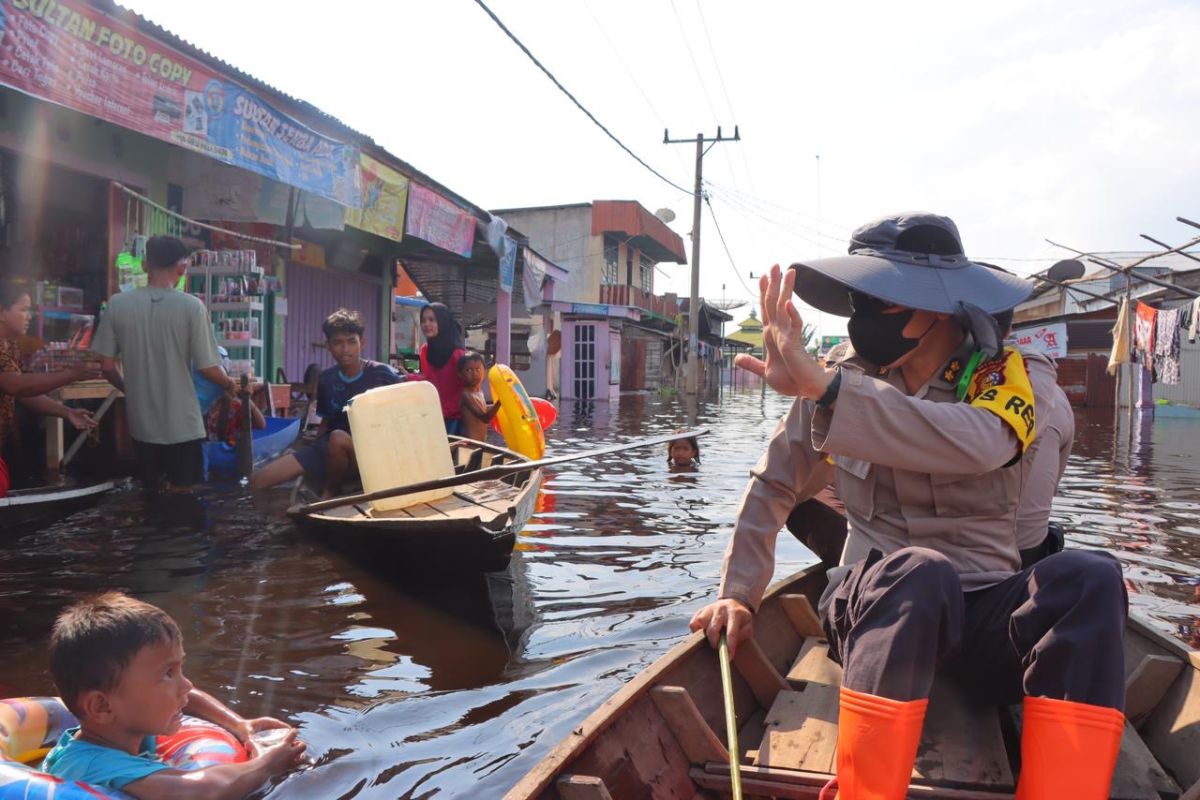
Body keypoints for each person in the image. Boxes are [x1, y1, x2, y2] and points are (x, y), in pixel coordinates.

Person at [689, 213, 1126, 800]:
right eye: (859, 301)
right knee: (921, 572)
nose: (863, 317)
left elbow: (984, 440)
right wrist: (738, 594)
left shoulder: (1005, 375)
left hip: (982, 619)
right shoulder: (837, 375)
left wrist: (832, 393)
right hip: (878, 613)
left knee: (1092, 578)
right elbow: (773, 485)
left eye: (883, 302)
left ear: (941, 308)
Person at [43, 591, 305, 799]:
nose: (187, 685)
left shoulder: (122, 731)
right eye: (168, 673)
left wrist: (238, 724)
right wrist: (267, 764)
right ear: (101, 706)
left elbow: (189, 697)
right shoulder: (90, 765)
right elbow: (197, 793)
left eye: (180, 668)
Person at [92, 236, 236, 492]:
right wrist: (230, 384)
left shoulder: (118, 304)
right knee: (184, 502)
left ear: (145, 265)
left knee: (151, 498)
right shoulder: (192, 307)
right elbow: (208, 368)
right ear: (182, 267)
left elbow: (106, 365)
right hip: (184, 426)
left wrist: (129, 390)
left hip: (142, 424)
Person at [250, 308, 403, 493]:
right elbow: (326, 422)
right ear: (328, 346)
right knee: (259, 480)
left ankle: (330, 494)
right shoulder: (325, 379)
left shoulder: (383, 375)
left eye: (351, 342)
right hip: (328, 449)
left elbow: (403, 417)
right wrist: (304, 454)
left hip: (369, 454)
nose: (345, 349)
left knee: (338, 438)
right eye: (338, 343)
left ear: (362, 343)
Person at [0, 277, 100, 496]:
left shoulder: (10, 345)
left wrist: (67, 412)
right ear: (2, 312)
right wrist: (72, 374)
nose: (29, 316)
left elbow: (24, 393)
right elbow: (16, 385)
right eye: (24, 309)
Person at [201, 348, 266, 447]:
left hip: (232, 454)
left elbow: (261, 424)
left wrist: (247, 400)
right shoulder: (206, 406)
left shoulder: (235, 405)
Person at [417, 302, 466, 434]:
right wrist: (407, 377)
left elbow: (465, 389)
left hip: (454, 418)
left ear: (442, 321)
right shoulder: (424, 351)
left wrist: (445, 410)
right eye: (423, 320)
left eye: (432, 320)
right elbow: (427, 378)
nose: (426, 324)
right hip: (432, 414)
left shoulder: (458, 354)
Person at [457, 350, 500, 442]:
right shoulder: (466, 395)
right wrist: (500, 402)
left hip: (479, 444)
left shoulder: (479, 392)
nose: (474, 374)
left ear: (484, 372)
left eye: (478, 369)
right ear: (460, 374)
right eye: (469, 370)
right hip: (469, 446)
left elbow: (484, 409)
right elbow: (485, 418)